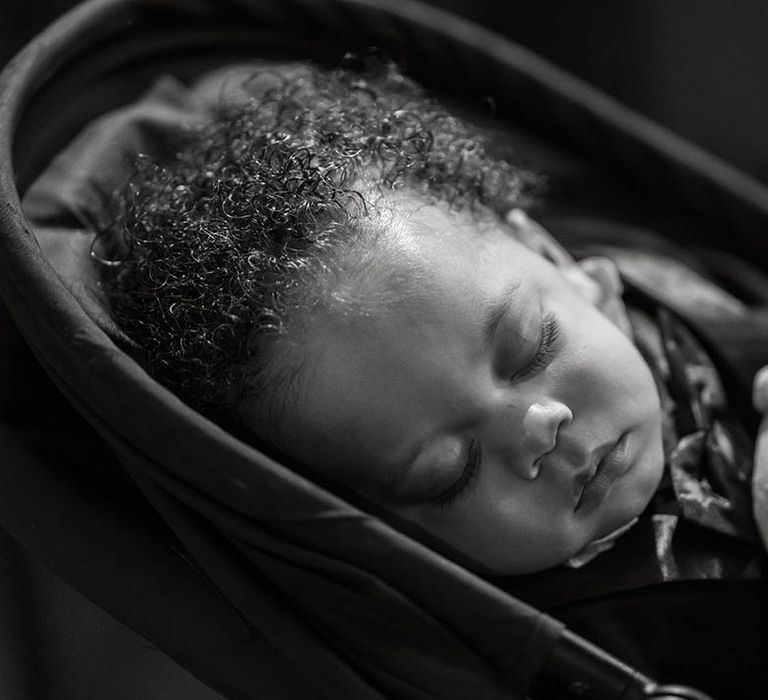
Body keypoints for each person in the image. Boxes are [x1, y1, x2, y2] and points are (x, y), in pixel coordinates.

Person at [90, 57, 767, 586]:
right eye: (449, 471)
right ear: (383, 528)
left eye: (533, 346)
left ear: (556, 259)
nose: (538, 427)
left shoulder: (672, 283)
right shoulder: (562, 649)